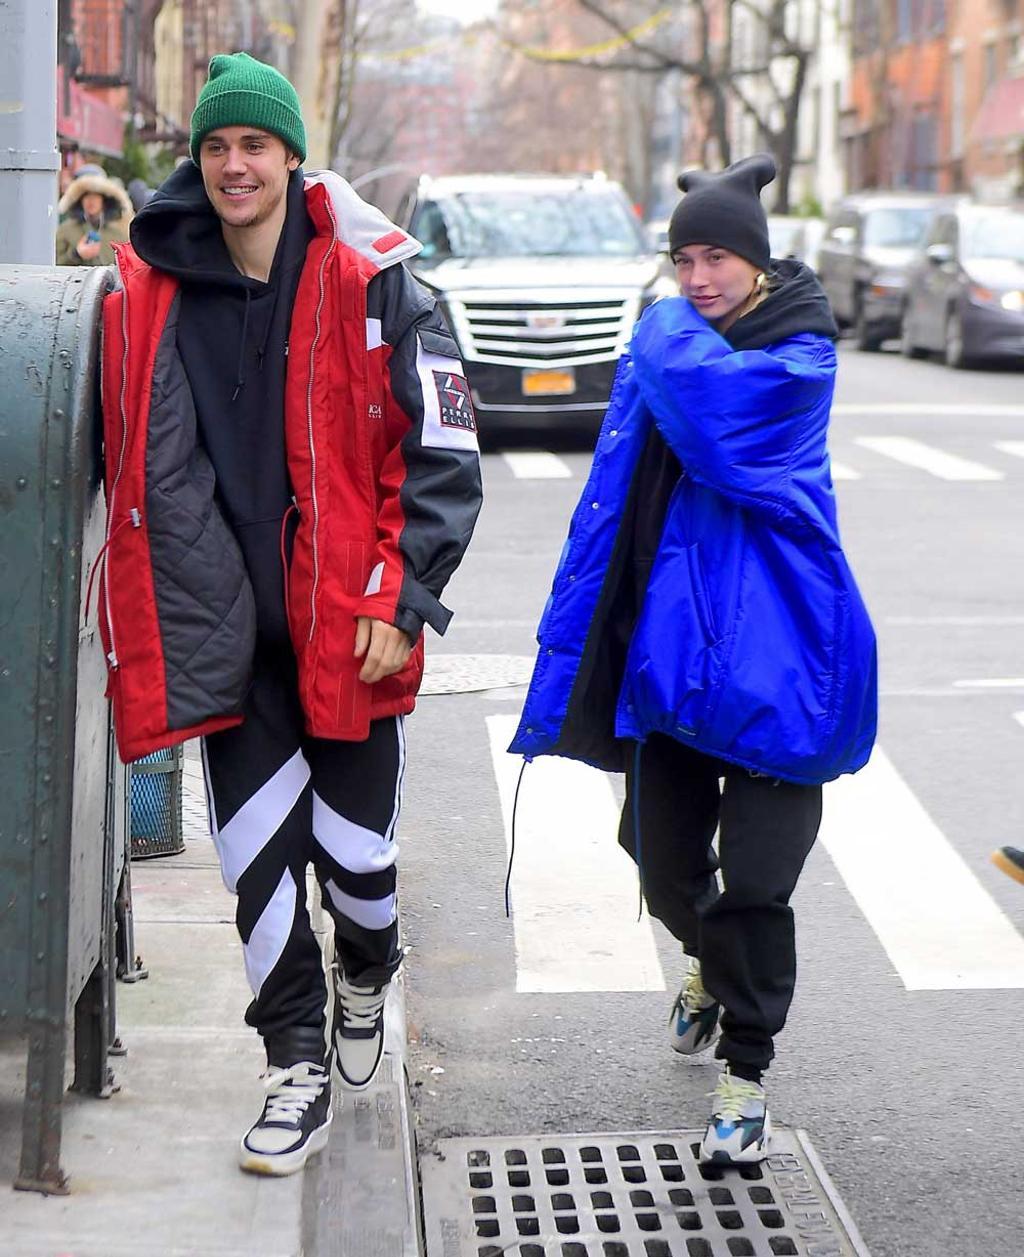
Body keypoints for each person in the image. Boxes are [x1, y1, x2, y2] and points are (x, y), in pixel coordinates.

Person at [96, 52, 482, 1175]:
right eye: (214, 147)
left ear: (291, 155)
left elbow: (447, 450)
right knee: (259, 869)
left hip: (349, 627)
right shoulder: (152, 288)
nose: (231, 166)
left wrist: (405, 595)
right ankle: (293, 1067)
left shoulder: (380, 280)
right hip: (226, 638)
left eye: (252, 145)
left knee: (359, 867)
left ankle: (370, 966)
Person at [510, 155, 877, 1166]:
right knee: (663, 869)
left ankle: (745, 1078)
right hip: (670, 663)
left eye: (716, 254)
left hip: (783, 666)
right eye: (681, 259)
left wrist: (655, 321)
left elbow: (721, 431)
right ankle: (706, 970)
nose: (697, 276)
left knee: (754, 886)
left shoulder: (796, 357)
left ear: (757, 263)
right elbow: (615, 511)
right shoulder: (674, 345)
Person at [56, 165, 132, 265]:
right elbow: (55, 267)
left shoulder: (119, 233)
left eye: (96, 196)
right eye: (86, 196)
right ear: (79, 200)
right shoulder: (65, 230)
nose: (91, 201)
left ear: (104, 200)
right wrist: (76, 255)